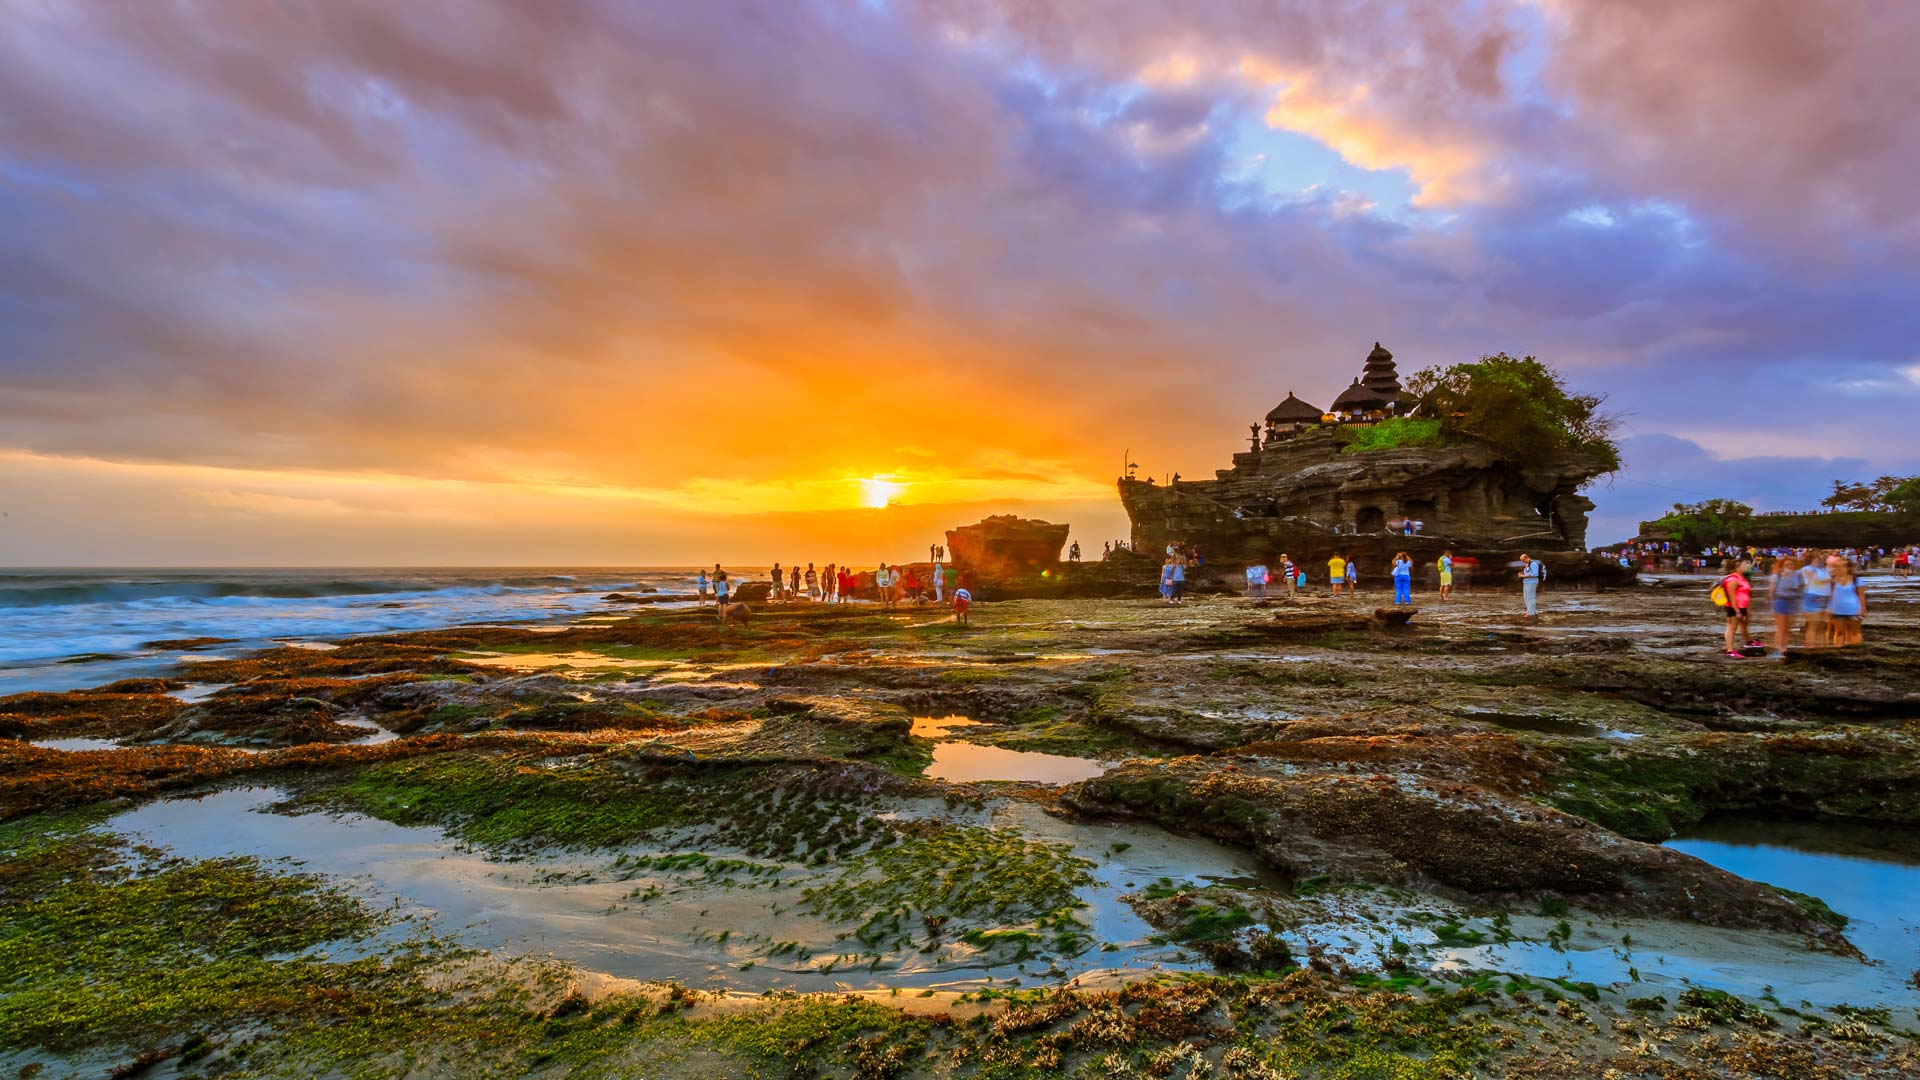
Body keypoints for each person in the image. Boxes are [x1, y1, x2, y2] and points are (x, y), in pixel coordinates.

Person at [1716, 558, 1752, 657]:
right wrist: (1737, 611)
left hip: (1742, 606)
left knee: (1738, 626)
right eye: (1744, 565)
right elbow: (1731, 597)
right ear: (1737, 567)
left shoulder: (1741, 577)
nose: (1747, 567)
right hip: (1734, 607)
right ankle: (1730, 651)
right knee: (1731, 628)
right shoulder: (1733, 580)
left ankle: (1743, 643)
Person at [1768, 555, 1803, 654]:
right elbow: (1771, 592)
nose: (1790, 566)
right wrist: (1772, 607)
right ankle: (1778, 648)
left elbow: (1802, 588)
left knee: (1787, 628)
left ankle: (1784, 647)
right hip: (1780, 601)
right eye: (1787, 564)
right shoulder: (1776, 576)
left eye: (1792, 564)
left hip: (1793, 602)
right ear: (1782, 566)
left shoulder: (1798, 575)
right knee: (1781, 628)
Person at [1800, 550, 1833, 647]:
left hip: (1826, 597)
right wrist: (1833, 578)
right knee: (1813, 625)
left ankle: (1820, 647)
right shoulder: (1807, 568)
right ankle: (1810, 647)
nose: (1821, 559)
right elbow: (1816, 580)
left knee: (1822, 626)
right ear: (1812, 559)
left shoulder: (1824, 569)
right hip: (1813, 597)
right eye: (1818, 557)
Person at [1829, 559, 1866, 646]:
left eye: (1841, 566)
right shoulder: (1832, 581)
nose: (1838, 568)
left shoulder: (1856, 580)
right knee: (1839, 632)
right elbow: (1830, 595)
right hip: (1837, 610)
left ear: (1848, 567)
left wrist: (1862, 608)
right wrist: (1829, 608)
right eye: (1836, 566)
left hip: (1854, 610)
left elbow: (1861, 596)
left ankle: (1856, 653)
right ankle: (1838, 654)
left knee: (1855, 632)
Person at [1518, 554, 1541, 618]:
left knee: (1531, 597)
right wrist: (1522, 574)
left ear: (1527, 558)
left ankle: (1530, 613)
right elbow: (1528, 573)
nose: (1523, 562)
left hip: (1532, 582)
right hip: (1526, 582)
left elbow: (1535, 574)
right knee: (1526, 597)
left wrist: (1524, 576)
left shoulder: (1533, 564)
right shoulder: (1527, 564)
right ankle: (1532, 611)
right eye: (1522, 561)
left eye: (1523, 560)